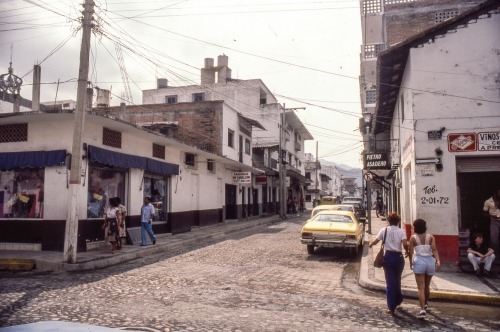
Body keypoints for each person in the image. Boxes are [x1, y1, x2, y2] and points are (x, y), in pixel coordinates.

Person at [369, 212, 409, 315]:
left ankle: (391, 307)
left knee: (390, 282)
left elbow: (376, 241)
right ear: (398, 221)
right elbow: (405, 244)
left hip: (388, 257)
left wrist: (370, 244)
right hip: (399, 257)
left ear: (388, 221)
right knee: (398, 279)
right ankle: (398, 299)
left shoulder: (384, 230)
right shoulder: (401, 231)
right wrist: (407, 251)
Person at [408, 219, 441, 319]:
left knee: (420, 288)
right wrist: (438, 261)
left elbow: (410, 252)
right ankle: (426, 303)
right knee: (427, 285)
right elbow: (434, 249)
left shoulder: (413, 238)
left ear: (415, 227)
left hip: (419, 261)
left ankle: (422, 309)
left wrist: (410, 262)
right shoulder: (431, 237)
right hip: (430, 261)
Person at [483, 189, 500, 256]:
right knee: (494, 239)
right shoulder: (488, 201)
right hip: (494, 222)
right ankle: (495, 256)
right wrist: (492, 216)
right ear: (497, 194)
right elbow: (484, 213)